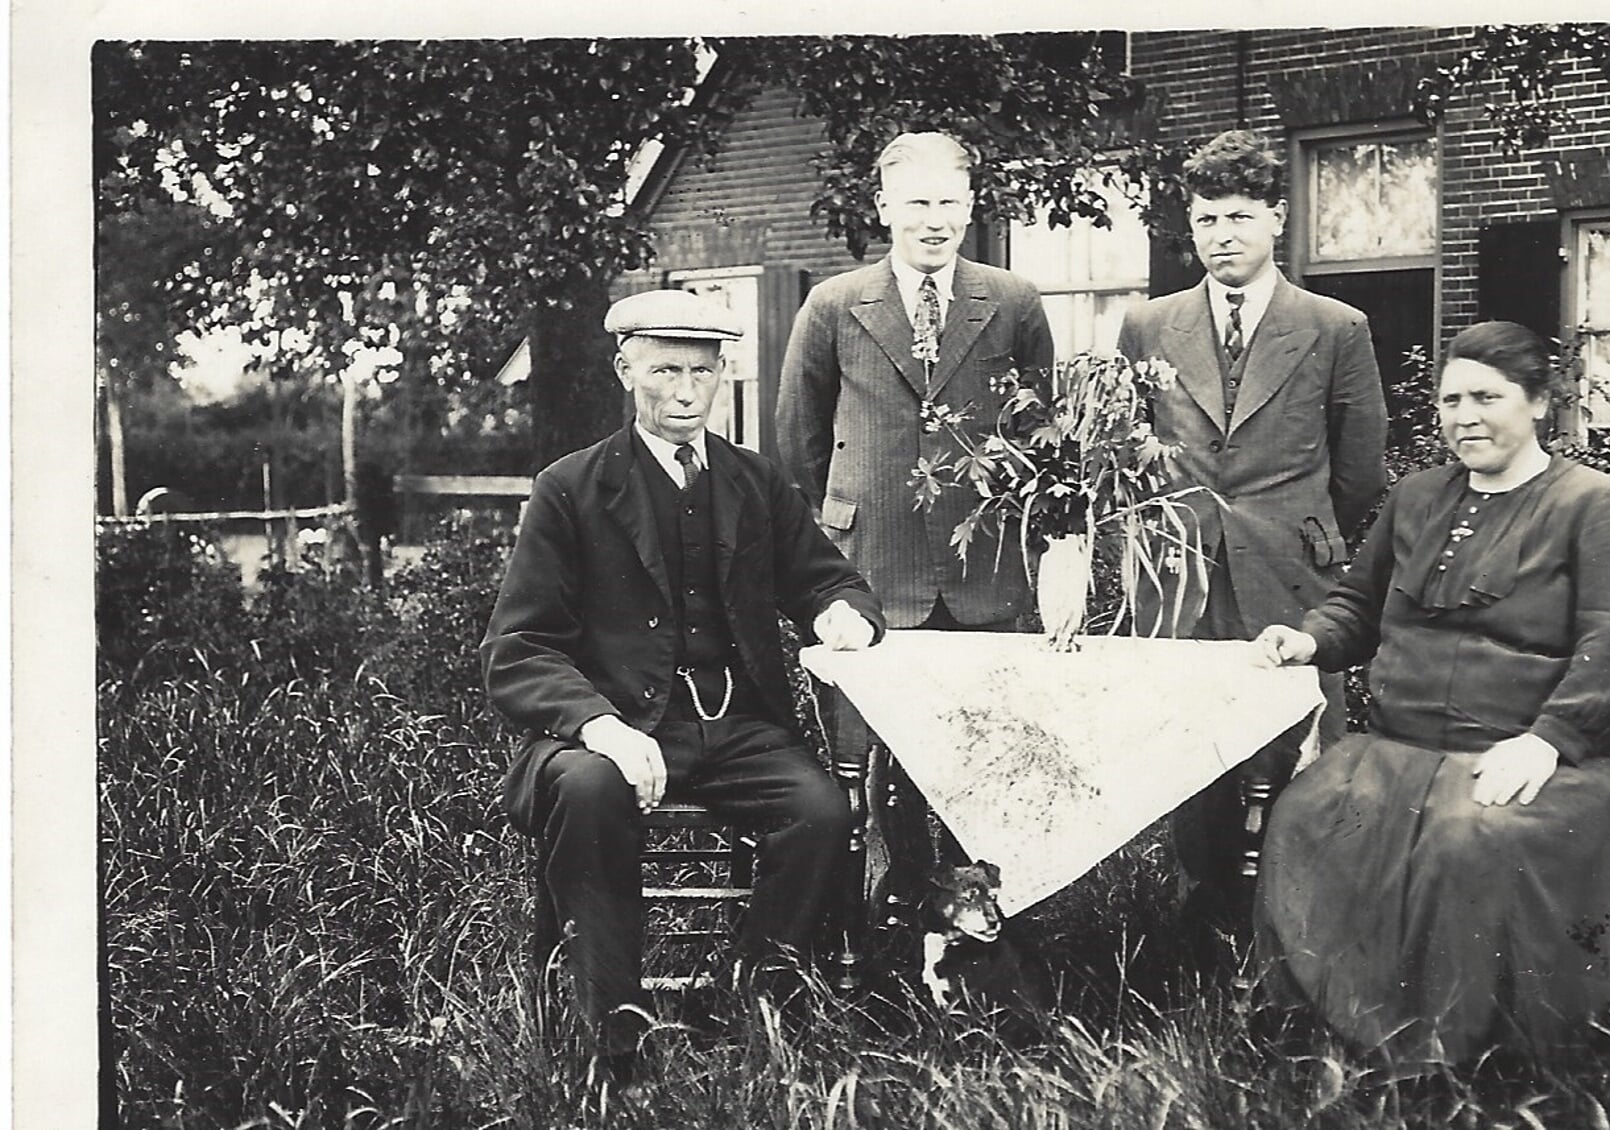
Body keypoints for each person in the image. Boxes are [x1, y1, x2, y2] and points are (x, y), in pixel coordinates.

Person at [482, 288, 885, 1074]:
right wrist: (599, 725)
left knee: (820, 812)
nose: (684, 391)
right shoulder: (570, 488)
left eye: (702, 372)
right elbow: (518, 645)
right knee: (592, 792)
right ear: (626, 369)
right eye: (665, 370)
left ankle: (747, 1005)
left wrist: (841, 613)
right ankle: (616, 1041)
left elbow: (825, 580)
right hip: (610, 731)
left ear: (722, 374)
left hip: (738, 729)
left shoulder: (755, 482)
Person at [1251, 321, 1610, 1066]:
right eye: (1449, 401)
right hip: (1400, 750)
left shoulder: (1595, 504)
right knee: (1307, 815)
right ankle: (1330, 1029)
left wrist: (1547, 739)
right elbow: (1358, 607)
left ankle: (1466, 1056)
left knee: (1468, 839)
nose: (1464, 416)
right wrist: (1309, 638)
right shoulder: (1416, 497)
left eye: (1487, 398)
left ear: (1537, 402)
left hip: (1539, 755)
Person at [1115, 129, 1388, 948]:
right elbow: (1128, 452)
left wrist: (1294, 529)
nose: (1222, 235)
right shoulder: (1149, 326)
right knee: (1193, 751)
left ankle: (1305, 924)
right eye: (1205, 220)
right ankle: (1208, 918)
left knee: (1299, 753)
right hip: (1183, 573)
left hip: (1291, 577)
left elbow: (1361, 468)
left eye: (1239, 216)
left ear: (1276, 220)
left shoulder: (1336, 327)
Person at [776, 130, 1054, 907]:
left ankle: (979, 923)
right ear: (883, 207)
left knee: (985, 758)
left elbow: (1042, 432)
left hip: (985, 573)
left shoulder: (1013, 302)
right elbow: (799, 439)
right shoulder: (834, 305)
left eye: (948, 203)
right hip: (872, 572)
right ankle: (879, 916)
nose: (933, 220)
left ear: (969, 208)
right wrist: (839, 538)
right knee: (870, 767)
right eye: (916, 203)